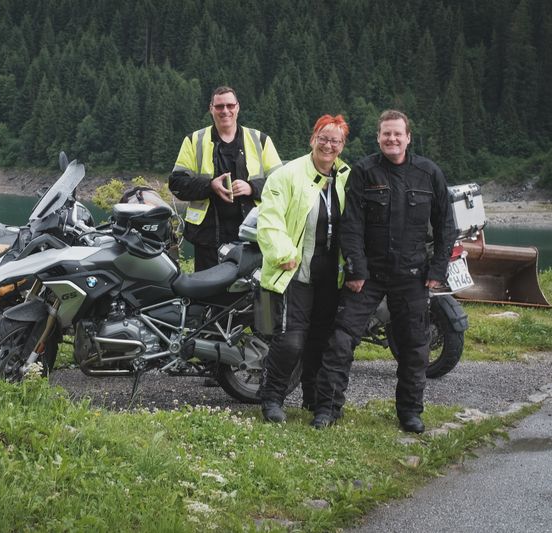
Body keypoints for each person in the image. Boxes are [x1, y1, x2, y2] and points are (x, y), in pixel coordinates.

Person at [310, 109, 456, 433]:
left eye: (397, 134)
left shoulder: (429, 173)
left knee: (415, 347)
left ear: (408, 137)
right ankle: (328, 409)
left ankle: (410, 413)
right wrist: (356, 269)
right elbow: (350, 226)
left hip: (413, 275)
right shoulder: (364, 171)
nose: (392, 139)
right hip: (368, 276)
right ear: (378, 137)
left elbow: (447, 225)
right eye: (386, 134)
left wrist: (438, 268)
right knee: (340, 340)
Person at [256, 115, 352, 423]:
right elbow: (269, 219)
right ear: (312, 139)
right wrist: (283, 253)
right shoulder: (287, 175)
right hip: (293, 272)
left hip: (330, 275)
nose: (328, 145)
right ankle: (271, 398)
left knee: (321, 340)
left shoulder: (346, 177)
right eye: (323, 138)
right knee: (290, 341)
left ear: (342, 145)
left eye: (335, 140)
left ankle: (312, 398)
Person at [169, 86, 282, 271]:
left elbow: (282, 184)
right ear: (211, 108)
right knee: (209, 295)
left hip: (252, 236)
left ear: (238, 107)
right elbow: (176, 184)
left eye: (230, 105)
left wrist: (252, 187)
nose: (225, 111)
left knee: (247, 296)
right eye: (220, 106)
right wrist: (210, 185)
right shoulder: (194, 140)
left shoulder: (260, 140)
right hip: (207, 238)